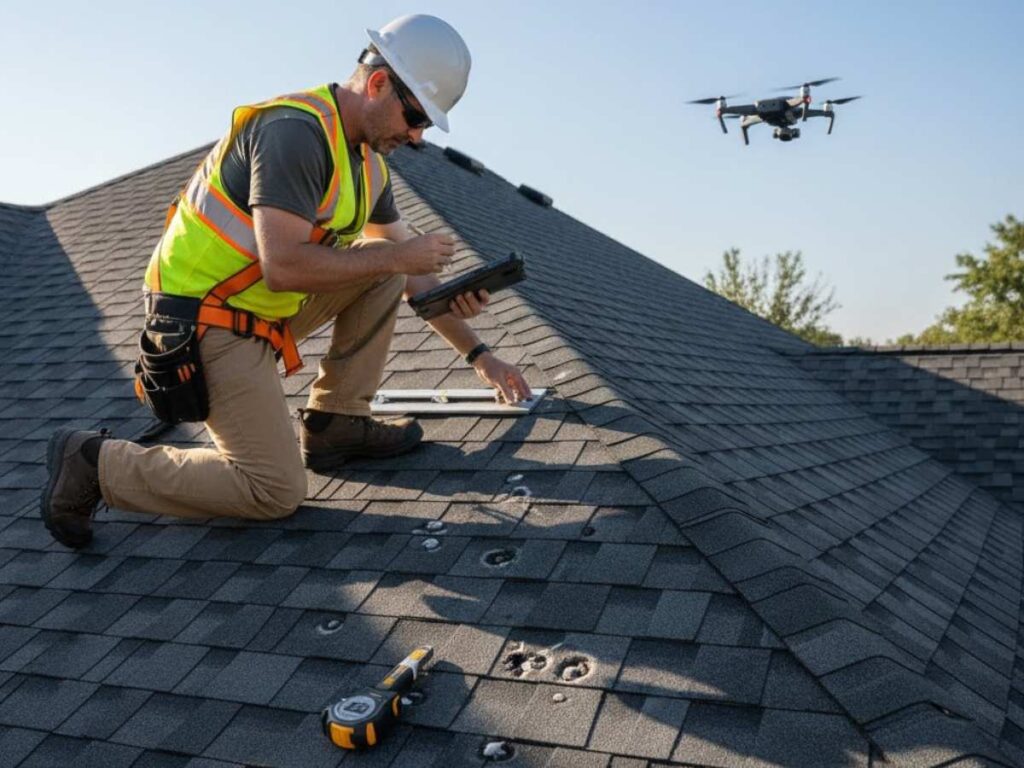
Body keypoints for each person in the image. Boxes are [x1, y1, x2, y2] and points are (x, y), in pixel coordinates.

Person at [40, 14, 531, 548]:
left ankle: (336, 422)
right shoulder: (294, 133)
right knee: (273, 489)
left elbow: (413, 276)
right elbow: (284, 267)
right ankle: (95, 464)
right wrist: (398, 258)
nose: (416, 136)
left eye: (426, 126)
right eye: (415, 116)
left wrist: (481, 357)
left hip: (257, 313)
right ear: (378, 83)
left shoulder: (368, 168)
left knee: (386, 263)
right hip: (202, 323)